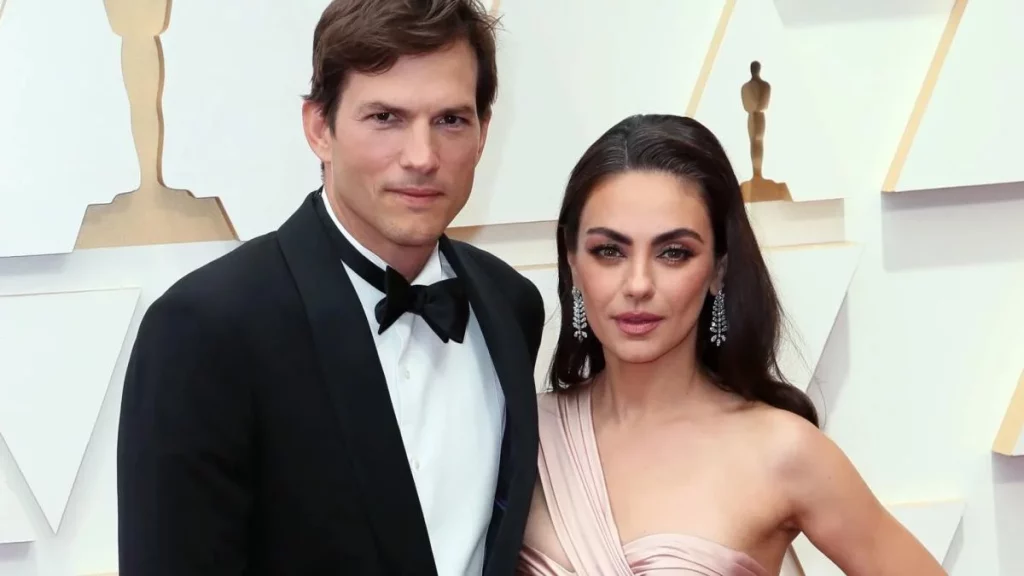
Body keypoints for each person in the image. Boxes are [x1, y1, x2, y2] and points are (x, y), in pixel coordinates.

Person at [116, 1, 545, 575]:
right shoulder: (205, 328)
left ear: (484, 133)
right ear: (320, 127)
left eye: (450, 120)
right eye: (386, 117)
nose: (422, 157)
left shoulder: (512, 305)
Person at [517, 114, 944, 575]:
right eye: (609, 251)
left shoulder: (782, 451)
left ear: (718, 269)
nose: (638, 284)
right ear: (573, 263)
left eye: (673, 253)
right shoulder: (522, 434)